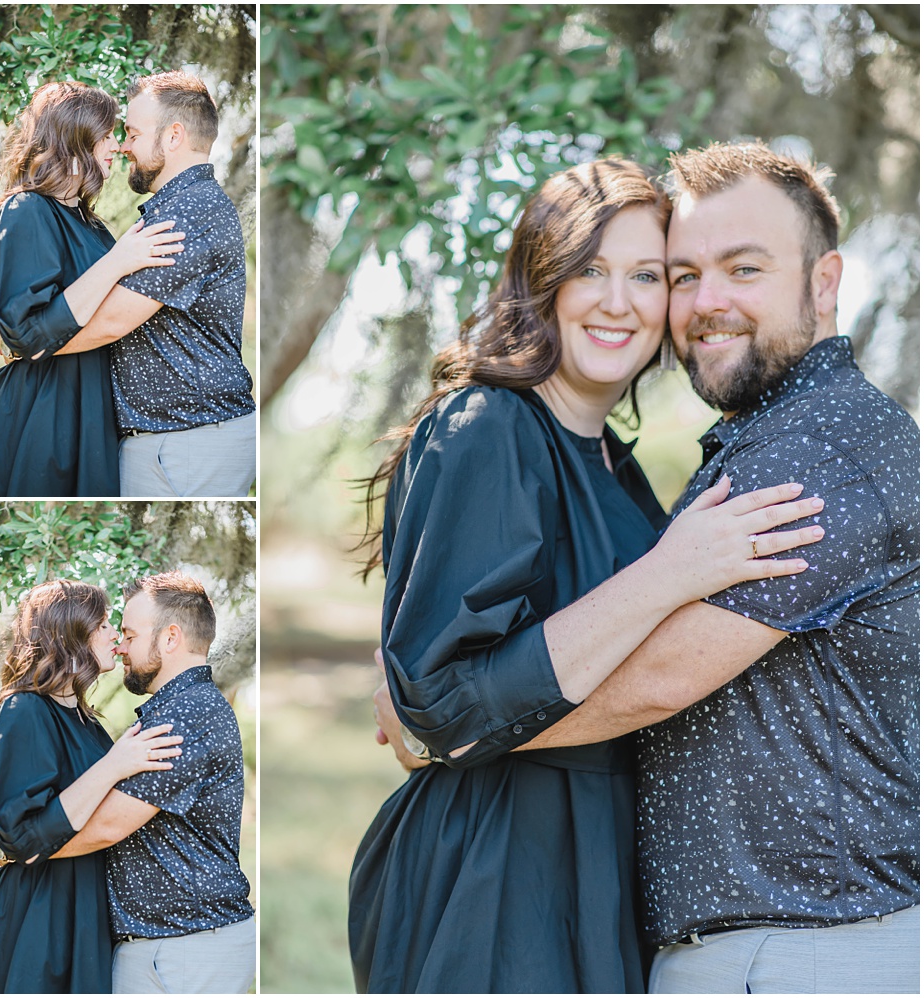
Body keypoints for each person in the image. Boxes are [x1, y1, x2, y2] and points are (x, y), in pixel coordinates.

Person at [378, 143, 919, 993]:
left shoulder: (644, 471)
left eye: (649, 274)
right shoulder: (487, 426)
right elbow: (445, 686)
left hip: (614, 883)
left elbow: (643, 674)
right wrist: (440, 722)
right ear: (541, 280)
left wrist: (442, 725)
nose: (627, 302)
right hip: (497, 874)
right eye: (592, 270)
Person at [0, 579, 184, 993]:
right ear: (71, 634)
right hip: (37, 917)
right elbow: (19, 837)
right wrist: (114, 764)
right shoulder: (23, 710)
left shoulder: (89, 724)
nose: (115, 635)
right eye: (102, 625)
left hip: (85, 912)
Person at [0, 80, 186, 497]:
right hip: (44, 412)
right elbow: (25, 333)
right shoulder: (26, 210)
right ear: (75, 140)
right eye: (106, 135)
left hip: (94, 410)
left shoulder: (93, 226)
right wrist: (118, 262)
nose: (117, 146)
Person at [52, 71, 257, 497]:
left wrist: (28, 342)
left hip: (188, 442)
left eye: (133, 132)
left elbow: (111, 322)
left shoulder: (188, 212)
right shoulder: (181, 206)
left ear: (173, 136)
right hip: (179, 439)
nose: (123, 145)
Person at [51, 571, 256, 994]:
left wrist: (26, 848)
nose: (120, 646)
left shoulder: (187, 715)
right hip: (169, 946)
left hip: (188, 949)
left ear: (170, 638)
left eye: (129, 634)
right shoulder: (176, 709)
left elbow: (110, 824)